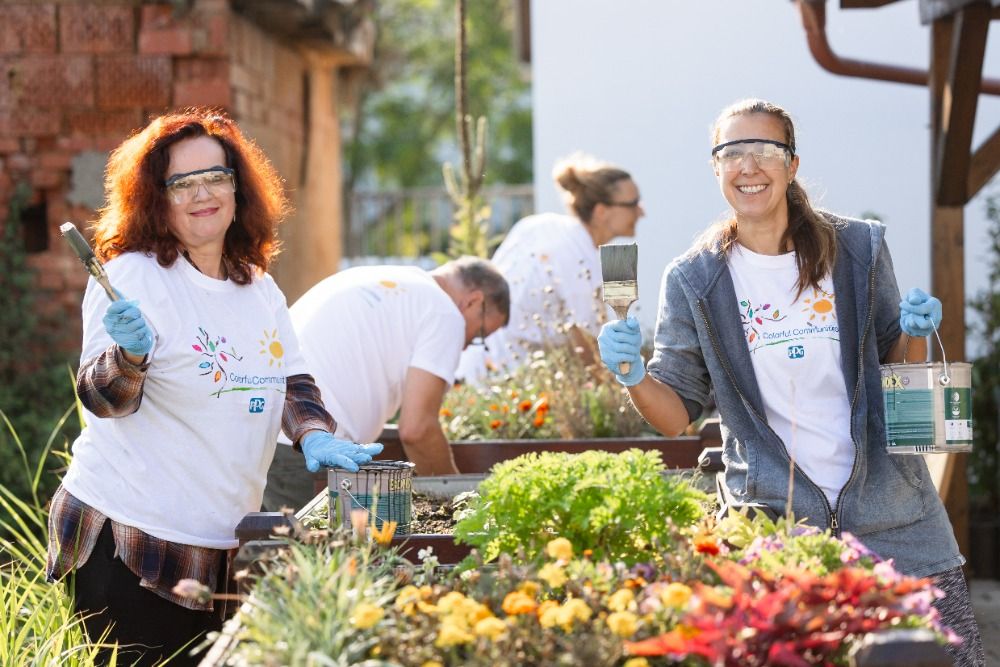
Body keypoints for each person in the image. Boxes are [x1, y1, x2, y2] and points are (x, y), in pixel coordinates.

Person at [597, 98, 983, 666]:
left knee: (948, 660)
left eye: (764, 151)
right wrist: (632, 375)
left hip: (896, 519)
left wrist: (913, 330)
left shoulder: (859, 249)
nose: (748, 166)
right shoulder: (695, 277)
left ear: (792, 165)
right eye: (732, 153)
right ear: (716, 168)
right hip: (778, 531)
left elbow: (896, 366)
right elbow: (676, 409)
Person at [45, 109, 381, 666]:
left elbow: (293, 380)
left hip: (220, 543)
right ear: (157, 197)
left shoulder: (259, 287)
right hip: (132, 542)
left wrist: (314, 434)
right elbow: (105, 400)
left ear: (238, 186)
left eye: (216, 177)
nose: (203, 194)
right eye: (182, 183)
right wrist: (130, 355)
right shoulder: (132, 275)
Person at [262, 257, 510, 510]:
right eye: (480, 335)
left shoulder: (388, 280)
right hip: (308, 448)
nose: (467, 347)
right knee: (292, 548)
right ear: (474, 301)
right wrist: (462, 503)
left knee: (257, 543)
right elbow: (417, 430)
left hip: (265, 434)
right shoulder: (445, 312)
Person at [457, 153, 644, 384]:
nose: (641, 212)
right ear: (601, 211)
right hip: (506, 385)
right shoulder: (580, 258)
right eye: (632, 204)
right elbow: (590, 352)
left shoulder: (538, 225)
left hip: (469, 370)